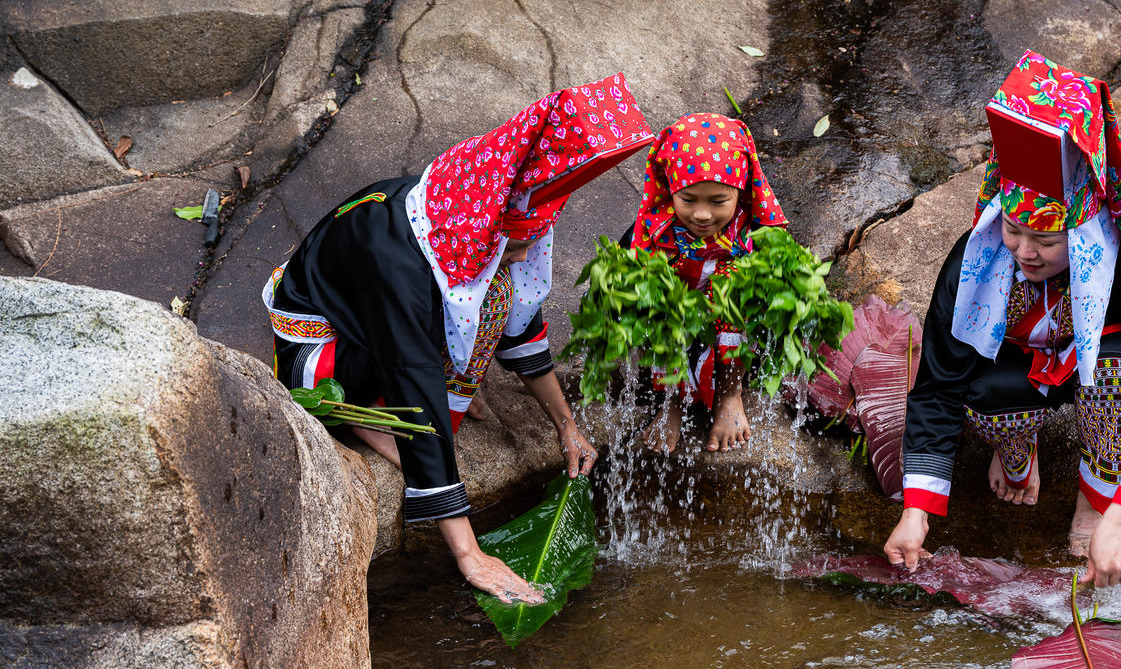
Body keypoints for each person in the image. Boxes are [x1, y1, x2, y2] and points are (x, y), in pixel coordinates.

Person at [263, 74, 655, 603]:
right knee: (417, 389)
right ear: (484, 231)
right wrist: (470, 554)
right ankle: (364, 418)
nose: (524, 254)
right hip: (324, 347)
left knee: (498, 294)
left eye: (531, 240)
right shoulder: (399, 260)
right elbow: (413, 377)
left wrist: (567, 427)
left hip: (382, 327)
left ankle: (429, 410)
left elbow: (521, 323)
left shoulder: (466, 210)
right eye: (514, 245)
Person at [883, 51, 1121, 588]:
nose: (1024, 252)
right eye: (1012, 230)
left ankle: (1095, 501)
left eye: (1046, 240)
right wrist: (917, 512)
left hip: (1095, 367)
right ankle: (1015, 448)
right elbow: (939, 385)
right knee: (983, 392)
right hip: (1015, 368)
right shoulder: (977, 260)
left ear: (1084, 233)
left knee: (1116, 376)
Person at [625, 112, 788, 453]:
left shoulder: (754, 231)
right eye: (688, 200)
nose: (702, 214)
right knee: (655, 295)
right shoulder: (654, 231)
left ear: (740, 192)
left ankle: (730, 395)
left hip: (731, 328)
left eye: (718, 201)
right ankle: (671, 400)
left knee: (739, 286)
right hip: (679, 325)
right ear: (670, 189)